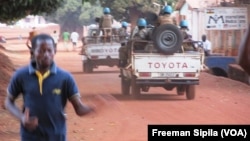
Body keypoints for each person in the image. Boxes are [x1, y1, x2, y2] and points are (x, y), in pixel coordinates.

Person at [5, 34, 95, 141]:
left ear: (54, 51)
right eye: (41, 51)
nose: (46, 54)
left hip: (57, 136)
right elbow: (8, 102)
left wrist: (93, 108)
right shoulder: (21, 75)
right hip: (30, 136)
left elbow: (79, 109)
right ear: (32, 52)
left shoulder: (65, 78)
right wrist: (22, 118)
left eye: (49, 50)